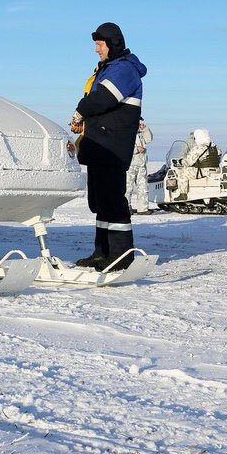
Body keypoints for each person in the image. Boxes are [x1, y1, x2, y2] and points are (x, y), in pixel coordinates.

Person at [70, 22, 147, 271]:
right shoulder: (107, 69)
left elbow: (103, 98)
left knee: (113, 201)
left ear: (112, 44)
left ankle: (121, 255)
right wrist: (84, 121)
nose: (95, 49)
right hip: (100, 145)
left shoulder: (124, 70)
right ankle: (101, 252)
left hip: (112, 147)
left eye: (99, 44)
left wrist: (81, 112)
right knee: (100, 201)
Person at [126, 119, 154, 214]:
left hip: (141, 164)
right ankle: (125, 207)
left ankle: (143, 209)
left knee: (143, 187)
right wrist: (136, 149)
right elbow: (122, 147)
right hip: (130, 164)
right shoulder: (125, 131)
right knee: (127, 188)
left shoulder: (140, 132)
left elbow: (149, 139)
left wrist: (145, 129)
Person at [177, 129, 217, 194]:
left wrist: (181, 161)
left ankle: (183, 194)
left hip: (204, 171)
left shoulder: (198, 148)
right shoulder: (214, 147)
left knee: (182, 173)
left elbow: (188, 162)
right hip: (216, 171)